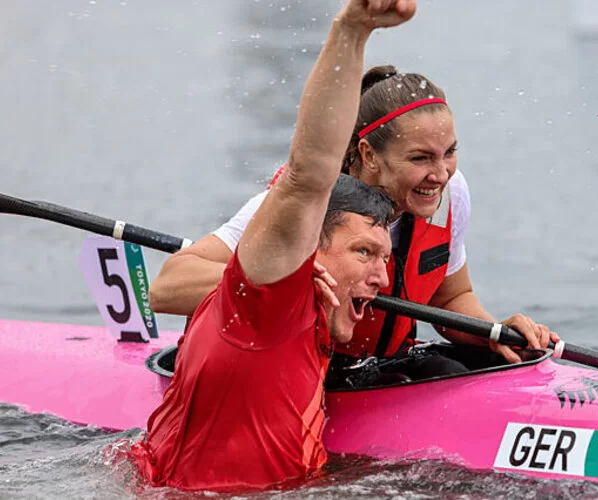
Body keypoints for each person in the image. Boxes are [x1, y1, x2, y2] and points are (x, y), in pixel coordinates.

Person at [149, 26, 558, 378]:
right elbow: (166, 289)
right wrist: (286, 284)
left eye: (449, 152)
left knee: (453, 368)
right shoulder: (304, 204)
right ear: (368, 156)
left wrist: (497, 335)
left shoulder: (452, 192)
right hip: (282, 376)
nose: (441, 174)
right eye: (420, 158)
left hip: (375, 369)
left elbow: (449, 300)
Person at [128, 0, 413, 491]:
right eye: (364, 252)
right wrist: (353, 31)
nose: (383, 278)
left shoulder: (313, 323)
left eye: (384, 258)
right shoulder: (268, 302)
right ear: (309, 249)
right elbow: (308, 175)